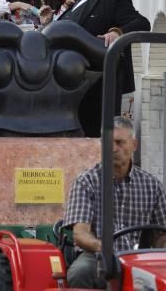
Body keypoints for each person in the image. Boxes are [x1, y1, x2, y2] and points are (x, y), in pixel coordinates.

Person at [63, 117, 166, 288]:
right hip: (97, 255)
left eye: (119, 142)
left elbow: (161, 235)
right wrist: (104, 248)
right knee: (79, 272)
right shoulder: (86, 181)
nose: (113, 149)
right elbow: (80, 235)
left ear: (134, 145)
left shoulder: (152, 185)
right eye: (109, 143)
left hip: (138, 255)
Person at [57, 0, 150, 137]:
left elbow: (142, 23)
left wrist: (117, 31)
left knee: (96, 139)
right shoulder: (76, 2)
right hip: (70, 86)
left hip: (99, 87)